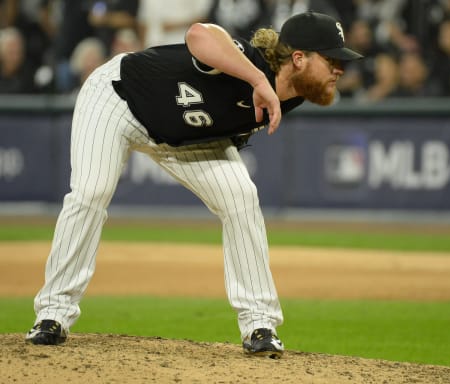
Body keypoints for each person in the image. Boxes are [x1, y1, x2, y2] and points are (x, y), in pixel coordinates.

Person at [25, 11, 362, 358]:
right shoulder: (248, 60)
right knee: (90, 192)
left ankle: (260, 324)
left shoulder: (297, 92)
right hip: (118, 101)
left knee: (241, 198)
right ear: (299, 58)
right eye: (331, 59)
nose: (340, 69)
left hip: (187, 140)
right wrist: (257, 79)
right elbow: (198, 35)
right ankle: (53, 313)